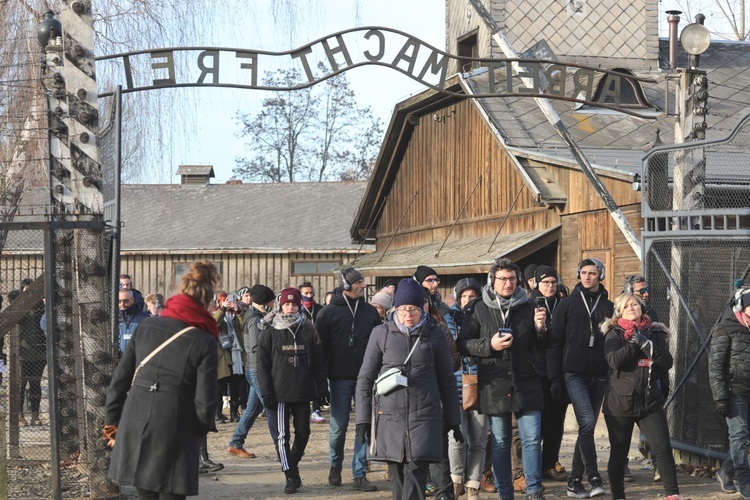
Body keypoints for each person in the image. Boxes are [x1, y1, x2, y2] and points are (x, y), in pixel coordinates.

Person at [103, 260, 222, 499]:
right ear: (207, 304)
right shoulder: (204, 340)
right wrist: (197, 431)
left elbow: (120, 380)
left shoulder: (146, 326)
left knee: (145, 494)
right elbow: (207, 399)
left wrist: (112, 423)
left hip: (137, 419)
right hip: (177, 424)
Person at [356, 278, 462, 500]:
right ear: (395, 308)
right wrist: (363, 420)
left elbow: (446, 379)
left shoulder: (435, 334)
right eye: (403, 309)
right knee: (398, 478)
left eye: (413, 309)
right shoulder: (381, 333)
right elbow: (365, 378)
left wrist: (453, 419)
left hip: (424, 414)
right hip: (389, 417)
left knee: (415, 472)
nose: (408, 314)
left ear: (422, 307)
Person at [457, 258, 550, 500]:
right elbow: (463, 344)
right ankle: (505, 494)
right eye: (502, 279)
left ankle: (533, 490)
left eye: (512, 278)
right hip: (494, 383)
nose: (508, 283)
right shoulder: (478, 308)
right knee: (500, 443)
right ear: (492, 281)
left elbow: (544, 346)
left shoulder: (529, 307)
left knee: (531, 439)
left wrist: (541, 329)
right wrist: (490, 344)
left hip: (526, 381)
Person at [601, 291, 685, 500]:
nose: (632, 308)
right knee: (619, 453)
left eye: (635, 304)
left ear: (642, 308)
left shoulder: (654, 333)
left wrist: (649, 344)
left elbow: (667, 362)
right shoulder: (614, 334)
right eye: (627, 305)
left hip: (649, 402)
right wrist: (634, 343)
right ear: (619, 311)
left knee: (663, 448)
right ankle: (618, 495)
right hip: (620, 402)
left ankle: (672, 495)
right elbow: (614, 361)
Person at [548, 258, 613, 498]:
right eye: (583, 273)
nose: (587, 277)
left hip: (600, 375)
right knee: (586, 422)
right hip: (573, 373)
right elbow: (555, 344)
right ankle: (593, 476)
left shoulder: (609, 307)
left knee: (587, 427)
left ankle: (574, 481)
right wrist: (555, 378)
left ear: (600, 276)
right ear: (578, 274)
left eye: (592, 273)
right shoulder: (567, 305)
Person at [256, 287, 329, 494]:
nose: (290, 307)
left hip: (303, 390)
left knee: (304, 433)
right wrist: (266, 391)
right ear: (281, 306)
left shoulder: (308, 329)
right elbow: (262, 364)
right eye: (287, 304)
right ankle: (290, 475)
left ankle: (292, 464)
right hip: (279, 393)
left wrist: (322, 387)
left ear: (299, 306)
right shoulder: (270, 331)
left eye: (294, 304)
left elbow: (318, 361)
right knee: (282, 436)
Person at [316, 267, 381, 491]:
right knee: (338, 428)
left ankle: (359, 474)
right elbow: (319, 350)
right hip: (338, 378)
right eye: (358, 282)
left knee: (363, 426)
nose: (363, 286)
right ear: (345, 285)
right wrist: (320, 382)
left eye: (363, 282)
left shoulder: (371, 312)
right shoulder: (327, 313)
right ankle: (335, 465)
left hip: (366, 379)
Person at [445, 278, 489, 500]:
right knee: (457, 438)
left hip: (482, 385)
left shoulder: (487, 317)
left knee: (479, 440)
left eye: (473, 296)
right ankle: (456, 482)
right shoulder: (448, 319)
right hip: (454, 386)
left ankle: (473, 485)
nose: (468, 300)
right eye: (464, 296)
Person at [227, 284, 278, 459]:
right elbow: (256, 346)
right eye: (271, 299)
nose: (274, 302)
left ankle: (235, 443)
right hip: (257, 369)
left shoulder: (259, 316)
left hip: (254, 368)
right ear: (264, 300)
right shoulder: (255, 320)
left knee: (253, 409)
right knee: (271, 407)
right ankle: (281, 448)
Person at [528, 265, 568, 482]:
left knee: (556, 421)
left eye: (553, 282)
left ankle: (549, 463)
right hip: (538, 371)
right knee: (537, 424)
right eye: (545, 282)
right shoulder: (529, 304)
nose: (550, 286)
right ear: (536, 284)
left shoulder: (562, 304)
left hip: (560, 370)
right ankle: (531, 468)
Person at [709, 287, 750, 499]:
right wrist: (721, 397)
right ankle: (745, 481)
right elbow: (716, 366)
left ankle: (726, 470)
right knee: (740, 435)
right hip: (735, 392)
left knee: (743, 437)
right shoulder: (726, 328)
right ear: (742, 305)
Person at [14, 282, 46, 427]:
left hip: (39, 353)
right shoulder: (20, 309)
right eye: (26, 292)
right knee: (21, 385)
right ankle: (20, 416)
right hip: (23, 354)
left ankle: (35, 415)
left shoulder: (41, 307)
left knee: (35, 385)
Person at [214, 292, 246, 424]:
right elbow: (214, 323)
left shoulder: (236, 314)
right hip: (222, 354)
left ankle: (234, 412)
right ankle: (218, 413)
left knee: (235, 384)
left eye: (230, 300)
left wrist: (238, 311)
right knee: (220, 385)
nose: (228, 303)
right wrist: (222, 310)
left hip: (236, 353)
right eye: (224, 301)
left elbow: (243, 325)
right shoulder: (216, 314)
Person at [298, 281, 326, 424]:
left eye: (311, 293)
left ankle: (316, 409)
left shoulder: (320, 309)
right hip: (302, 349)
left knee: (316, 378)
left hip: (318, 347)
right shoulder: (298, 310)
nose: (309, 296)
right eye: (306, 293)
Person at [118, 288, 150, 355]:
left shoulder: (144, 318)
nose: (122, 304)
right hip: (121, 357)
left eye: (125, 301)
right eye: (119, 301)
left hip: (138, 356)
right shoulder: (115, 318)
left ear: (132, 300)